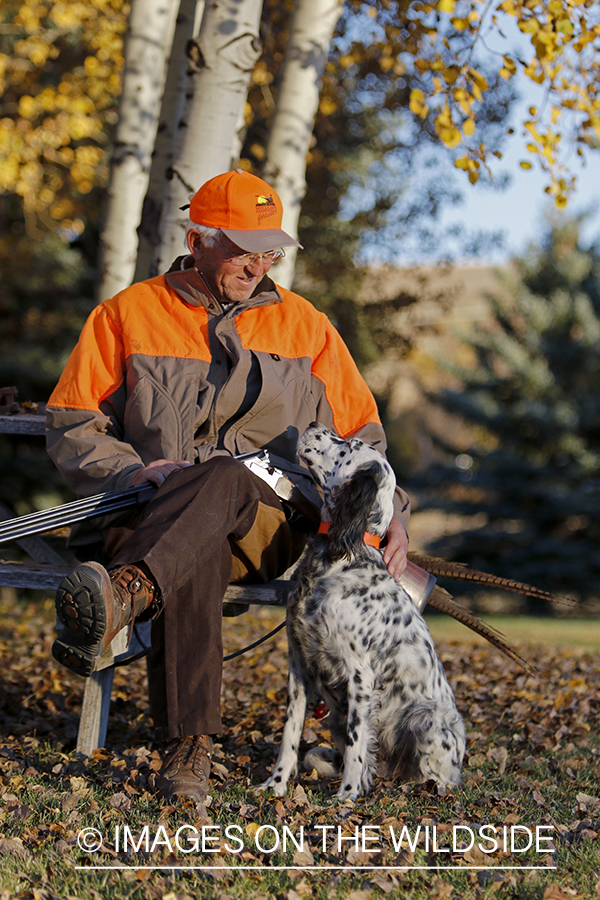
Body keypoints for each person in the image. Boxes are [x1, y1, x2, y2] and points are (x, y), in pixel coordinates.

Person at [46, 168, 411, 809]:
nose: (257, 263)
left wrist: (391, 517)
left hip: (269, 523)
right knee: (194, 548)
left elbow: (362, 439)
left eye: (269, 249)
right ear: (198, 238)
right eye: (243, 247)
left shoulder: (308, 326)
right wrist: (133, 471)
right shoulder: (127, 314)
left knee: (221, 476)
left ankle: (125, 596)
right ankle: (189, 752)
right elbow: (73, 422)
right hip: (153, 513)